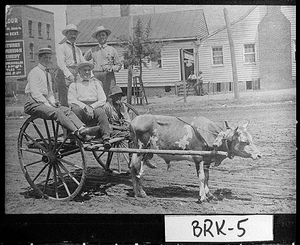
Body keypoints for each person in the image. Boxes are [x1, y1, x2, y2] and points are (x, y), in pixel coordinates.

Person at [24, 47, 94, 142]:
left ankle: (82, 128)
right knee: (57, 112)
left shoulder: (48, 74)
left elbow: (49, 93)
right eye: (45, 58)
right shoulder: (34, 72)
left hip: (44, 103)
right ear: (39, 58)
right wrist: (48, 105)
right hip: (33, 103)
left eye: (49, 58)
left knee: (66, 110)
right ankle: (77, 132)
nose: (48, 60)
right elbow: (35, 93)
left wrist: (53, 102)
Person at [68, 61, 111, 148]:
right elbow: (71, 100)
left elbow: (103, 99)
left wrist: (92, 107)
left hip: (94, 107)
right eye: (84, 70)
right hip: (81, 109)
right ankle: (77, 136)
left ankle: (106, 138)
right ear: (79, 71)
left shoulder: (96, 84)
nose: (87, 72)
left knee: (101, 112)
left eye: (88, 70)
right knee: (75, 110)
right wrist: (85, 107)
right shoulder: (74, 85)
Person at [84, 26, 122, 98]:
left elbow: (119, 65)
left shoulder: (112, 50)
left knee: (110, 96)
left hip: (109, 77)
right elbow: (83, 61)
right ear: (96, 38)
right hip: (96, 76)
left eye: (103, 35)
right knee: (97, 96)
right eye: (99, 35)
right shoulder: (92, 50)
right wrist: (90, 68)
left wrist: (112, 68)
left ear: (107, 37)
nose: (101, 37)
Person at [56, 24, 86, 106]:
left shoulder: (78, 49)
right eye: (71, 34)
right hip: (65, 74)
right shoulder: (62, 47)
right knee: (66, 97)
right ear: (66, 35)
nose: (73, 36)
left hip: (76, 73)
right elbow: (61, 63)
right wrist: (69, 75)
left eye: (75, 34)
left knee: (77, 95)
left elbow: (83, 63)